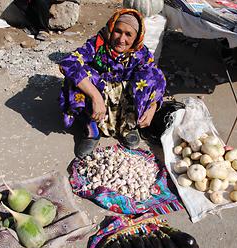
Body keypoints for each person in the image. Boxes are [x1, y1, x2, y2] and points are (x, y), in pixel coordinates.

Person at [59, 8, 167, 158]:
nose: (121, 39)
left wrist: (152, 107)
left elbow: (158, 80)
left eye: (128, 34)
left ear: (137, 37)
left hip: (125, 102)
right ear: (111, 28)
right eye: (118, 31)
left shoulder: (141, 53)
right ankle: (91, 129)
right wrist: (95, 96)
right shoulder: (97, 45)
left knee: (151, 76)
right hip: (100, 98)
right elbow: (68, 63)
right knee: (74, 77)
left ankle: (129, 126)